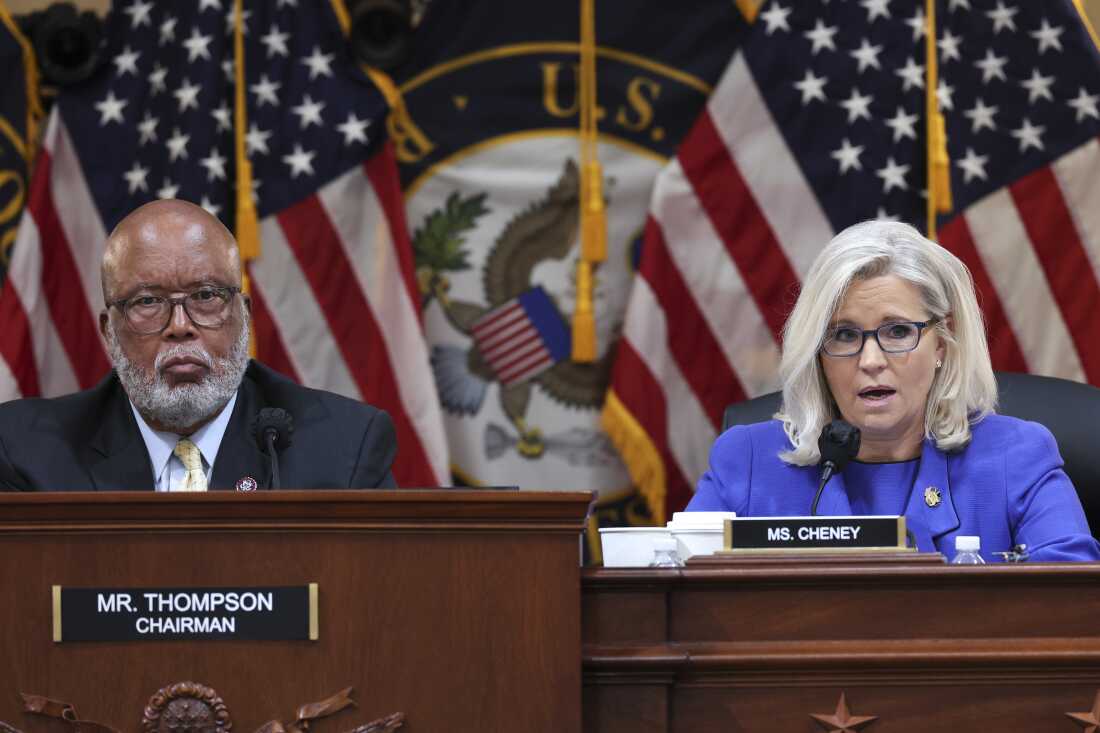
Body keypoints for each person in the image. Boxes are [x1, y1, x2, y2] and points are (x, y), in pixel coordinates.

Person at [688, 220, 1100, 562]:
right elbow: (678, 594)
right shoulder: (747, 462)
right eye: (844, 335)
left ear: (941, 343)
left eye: (898, 331)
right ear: (817, 353)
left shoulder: (1016, 457)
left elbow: (1071, 603)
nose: (870, 360)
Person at [0, 199, 397, 491]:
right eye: (148, 302)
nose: (180, 327)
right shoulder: (27, 452)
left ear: (243, 314)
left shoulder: (343, 448)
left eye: (206, 296)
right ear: (109, 330)